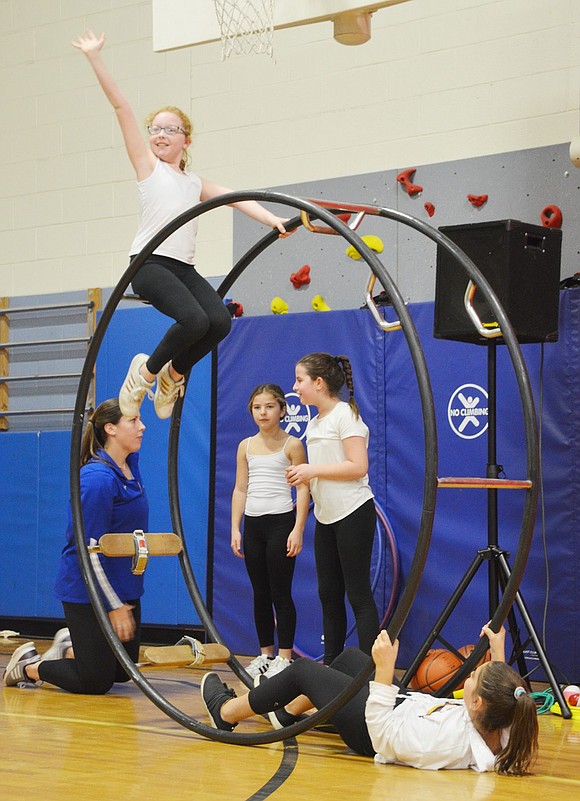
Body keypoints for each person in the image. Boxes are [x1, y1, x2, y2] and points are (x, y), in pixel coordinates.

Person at [72, 30, 290, 421]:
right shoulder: (147, 168)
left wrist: (272, 219)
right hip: (149, 263)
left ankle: (173, 373)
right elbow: (122, 108)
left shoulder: (195, 183)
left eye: (169, 129)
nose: (159, 134)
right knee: (193, 319)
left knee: (218, 321)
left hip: (182, 267)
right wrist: (95, 58)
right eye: (155, 128)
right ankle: (145, 373)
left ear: (185, 140)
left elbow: (237, 197)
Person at [200, 624, 539, 776]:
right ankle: (287, 714)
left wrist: (385, 672)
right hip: (401, 707)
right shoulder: (501, 716)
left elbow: (383, 735)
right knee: (350, 658)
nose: (467, 679)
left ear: (478, 703)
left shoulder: (444, 743)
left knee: (303, 671)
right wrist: (497, 652)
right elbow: (507, 694)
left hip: (373, 730)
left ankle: (226, 712)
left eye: (472, 681)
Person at [3, 399, 148, 694]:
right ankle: (29, 665)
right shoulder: (96, 480)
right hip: (88, 591)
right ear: (111, 429)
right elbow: (88, 550)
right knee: (96, 681)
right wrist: (114, 606)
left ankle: (70, 648)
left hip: (124, 586)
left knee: (123, 670)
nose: (142, 427)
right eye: (133, 421)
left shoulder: (129, 464)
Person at [286, 352, 379, 664]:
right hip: (326, 518)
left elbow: (358, 466)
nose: (295, 387)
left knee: (359, 594)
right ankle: (332, 666)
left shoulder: (346, 416)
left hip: (354, 512)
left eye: (300, 380)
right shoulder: (314, 423)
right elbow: (319, 473)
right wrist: (304, 479)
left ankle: (370, 671)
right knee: (328, 593)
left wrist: (312, 471)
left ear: (319, 383)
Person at [231, 384, 309, 679]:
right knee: (260, 592)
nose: (263, 413)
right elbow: (240, 488)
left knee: (280, 592)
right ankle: (265, 655)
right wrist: (235, 528)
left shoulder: (292, 445)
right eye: (257, 407)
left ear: (282, 409)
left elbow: (303, 488)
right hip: (253, 525)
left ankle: (284, 658)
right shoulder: (245, 446)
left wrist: (298, 528)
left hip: (281, 523)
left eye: (269, 406)